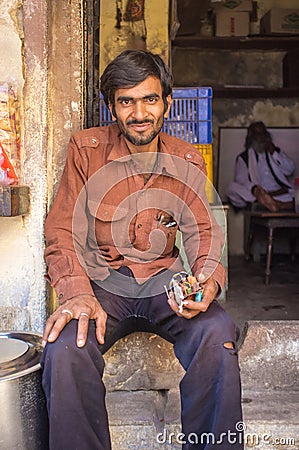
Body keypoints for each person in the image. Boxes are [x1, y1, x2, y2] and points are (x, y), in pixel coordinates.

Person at [41, 50, 243, 450]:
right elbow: (62, 229)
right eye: (126, 101)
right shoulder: (86, 150)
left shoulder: (187, 159)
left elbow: (204, 232)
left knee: (217, 332)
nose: (139, 112)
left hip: (162, 286)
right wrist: (76, 293)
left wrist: (205, 284)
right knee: (65, 348)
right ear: (112, 106)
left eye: (150, 99)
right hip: (102, 285)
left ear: (166, 103)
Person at [226, 121, 295, 212]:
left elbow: (290, 170)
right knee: (231, 188)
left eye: (263, 134)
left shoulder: (276, 152)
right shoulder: (244, 157)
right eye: (257, 134)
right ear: (251, 137)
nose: (261, 138)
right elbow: (241, 180)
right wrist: (256, 190)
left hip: (280, 195)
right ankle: (268, 202)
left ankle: (275, 204)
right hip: (257, 195)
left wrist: (274, 153)